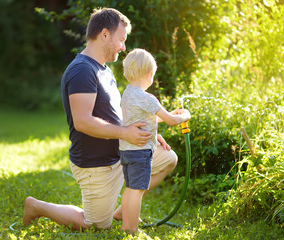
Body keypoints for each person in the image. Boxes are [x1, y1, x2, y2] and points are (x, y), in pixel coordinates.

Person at [22, 8, 179, 231]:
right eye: (121, 39)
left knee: (168, 159)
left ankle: (124, 209)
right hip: (96, 165)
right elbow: (83, 121)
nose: (124, 47)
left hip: (121, 153)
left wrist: (148, 133)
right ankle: (36, 206)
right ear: (104, 34)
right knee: (94, 224)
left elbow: (116, 114)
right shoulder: (82, 71)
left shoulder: (105, 70)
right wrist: (125, 133)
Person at [119, 48, 191, 234]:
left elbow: (148, 118)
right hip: (141, 151)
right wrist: (184, 116)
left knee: (130, 188)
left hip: (127, 150)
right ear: (150, 74)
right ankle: (132, 230)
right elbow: (172, 121)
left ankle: (125, 221)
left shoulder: (128, 93)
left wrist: (169, 114)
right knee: (137, 191)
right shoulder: (146, 98)